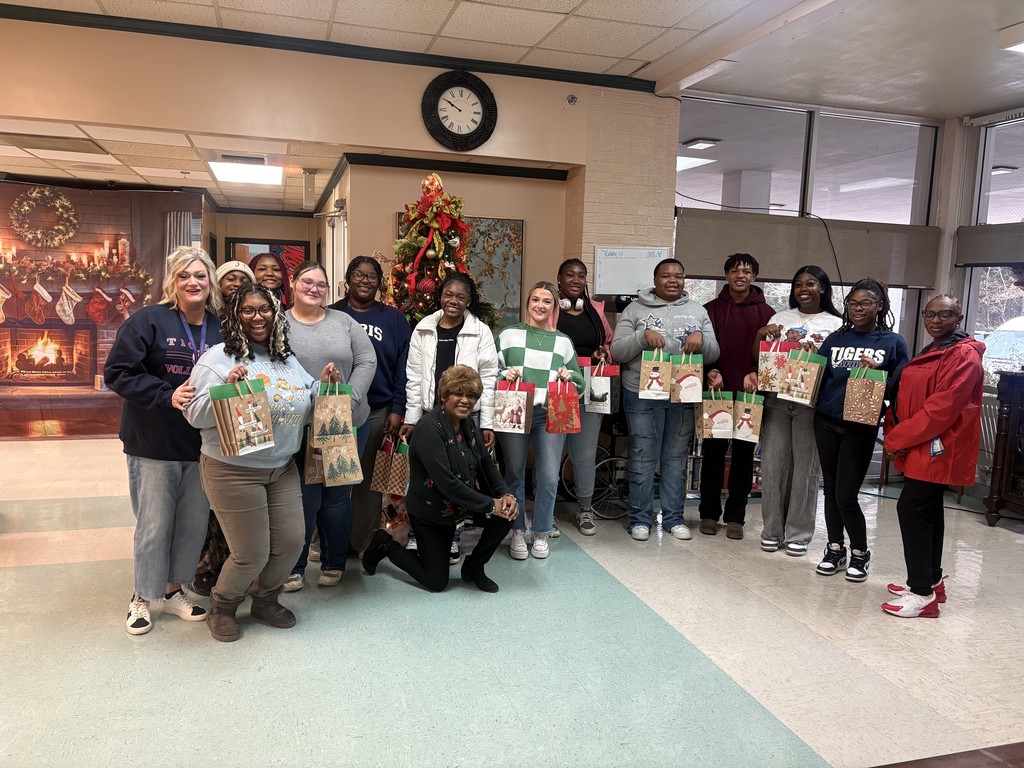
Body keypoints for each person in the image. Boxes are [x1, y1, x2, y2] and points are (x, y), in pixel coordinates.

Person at [186, 284, 341, 642]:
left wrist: (323, 386)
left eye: (265, 310)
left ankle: (265, 600)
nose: (258, 318)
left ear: (276, 315)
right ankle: (222, 606)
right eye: (248, 310)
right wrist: (224, 390)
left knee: (291, 543)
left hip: (281, 466)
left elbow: (305, 397)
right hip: (232, 470)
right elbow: (194, 415)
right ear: (235, 315)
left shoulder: (284, 358)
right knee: (250, 554)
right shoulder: (217, 359)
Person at [104, 246, 222, 635]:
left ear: (210, 282)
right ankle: (142, 595)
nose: (194, 282)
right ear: (173, 281)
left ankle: (173, 591)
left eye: (201, 275)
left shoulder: (221, 327)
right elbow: (118, 372)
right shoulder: (148, 321)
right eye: (185, 275)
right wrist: (164, 394)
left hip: (203, 444)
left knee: (191, 525)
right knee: (154, 524)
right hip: (153, 441)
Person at [362, 366, 519, 593]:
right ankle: (385, 544)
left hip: (460, 505)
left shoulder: (468, 425)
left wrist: (505, 495)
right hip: (431, 512)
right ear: (444, 396)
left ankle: (474, 567)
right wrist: (490, 504)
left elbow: (485, 463)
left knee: (506, 515)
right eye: (459, 394)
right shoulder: (429, 429)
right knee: (436, 582)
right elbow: (447, 483)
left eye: (472, 396)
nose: (466, 401)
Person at [882, 295, 984, 618]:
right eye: (930, 314)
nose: (936, 321)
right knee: (928, 510)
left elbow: (941, 409)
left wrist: (898, 436)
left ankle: (921, 594)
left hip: (940, 445)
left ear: (960, 316)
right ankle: (932, 579)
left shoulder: (964, 355)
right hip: (922, 441)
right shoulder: (936, 348)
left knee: (910, 507)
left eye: (945, 314)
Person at [610, 258, 720, 542]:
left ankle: (673, 518)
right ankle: (639, 518)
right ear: (655, 279)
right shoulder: (635, 309)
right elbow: (618, 351)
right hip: (642, 393)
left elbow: (713, 353)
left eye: (679, 276)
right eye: (666, 275)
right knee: (643, 456)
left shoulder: (698, 311)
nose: (673, 280)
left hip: (683, 394)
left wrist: (701, 338)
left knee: (675, 457)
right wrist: (641, 335)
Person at [283, 261, 377, 591]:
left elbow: (367, 360)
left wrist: (350, 400)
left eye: (321, 284)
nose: (314, 288)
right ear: (293, 284)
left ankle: (334, 561)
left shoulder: (345, 322)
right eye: (307, 281)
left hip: (343, 423)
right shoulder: (279, 324)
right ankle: (293, 566)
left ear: (328, 290)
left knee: (337, 497)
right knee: (303, 499)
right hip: (299, 427)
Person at [814, 277, 909, 582]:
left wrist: (879, 372)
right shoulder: (836, 339)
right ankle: (834, 548)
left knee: (846, 494)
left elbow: (900, 384)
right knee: (829, 489)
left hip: (861, 425)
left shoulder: (892, 342)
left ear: (879, 306)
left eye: (865, 303)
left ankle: (860, 553)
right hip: (826, 420)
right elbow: (817, 376)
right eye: (852, 303)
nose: (857, 308)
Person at [400, 273, 499, 563]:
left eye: (460, 297)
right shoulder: (424, 328)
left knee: (459, 477)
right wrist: (412, 415)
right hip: (431, 416)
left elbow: (489, 378)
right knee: (421, 478)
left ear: (469, 301)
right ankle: (418, 534)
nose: (453, 301)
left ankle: (453, 537)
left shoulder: (480, 331)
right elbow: (414, 375)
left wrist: (487, 422)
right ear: (440, 296)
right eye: (448, 294)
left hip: (464, 418)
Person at [754, 266, 843, 556]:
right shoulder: (780, 318)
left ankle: (798, 533)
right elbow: (760, 355)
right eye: (798, 284)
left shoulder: (836, 324)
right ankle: (771, 530)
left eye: (811, 283)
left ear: (823, 288)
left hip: (812, 403)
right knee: (772, 465)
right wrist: (761, 334)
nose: (803, 289)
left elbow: (837, 367)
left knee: (806, 470)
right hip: (777, 399)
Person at [496, 281, 586, 560]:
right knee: (514, 473)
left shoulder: (563, 341)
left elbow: (580, 382)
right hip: (515, 409)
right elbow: (491, 371)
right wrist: (504, 375)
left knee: (548, 476)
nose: (540, 306)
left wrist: (571, 377)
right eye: (535, 300)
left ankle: (542, 531)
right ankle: (518, 531)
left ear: (554, 307)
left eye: (547, 301)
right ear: (528, 303)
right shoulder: (509, 335)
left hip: (550, 412)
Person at [332, 256, 412, 556]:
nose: (365, 281)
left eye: (372, 276)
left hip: (378, 411)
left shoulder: (393, 319)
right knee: (333, 480)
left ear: (380, 282)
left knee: (366, 482)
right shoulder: (332, 314)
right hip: (336, 411)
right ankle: (330, 543)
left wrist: (397, 407)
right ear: (347, 279)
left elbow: (404, 367)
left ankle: (361, 541)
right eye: (358, 275)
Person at [698, 254, 776, 540]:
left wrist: (756, 372)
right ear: (726, 275)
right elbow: (703, 349)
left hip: (749, 394)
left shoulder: (768, 313)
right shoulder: (709, 310)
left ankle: (736, 517)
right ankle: (708, 513)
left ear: (754, 276)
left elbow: (772, 355)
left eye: (746, 271)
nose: (740, 275)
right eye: (734, 270)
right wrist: (711, 370)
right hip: (717, 390)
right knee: (713, 456)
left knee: (743, 456)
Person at [193, 258, 258, 596]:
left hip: (248, 429)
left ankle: (240, 568)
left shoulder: (258, 322)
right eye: (228, 278)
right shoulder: (212, 324)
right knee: (211, 508)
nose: (234, 283)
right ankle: (208, 566)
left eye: (241, 278)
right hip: (210, 427)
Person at [553, 258, 615, 536]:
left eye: (581, 276)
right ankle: (547, 510)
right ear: (559, 279)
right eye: (570, 275)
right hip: (559, 387)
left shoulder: (595, 312)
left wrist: (602, 354)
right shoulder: (549, 308)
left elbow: (608, 344)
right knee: (551, 452)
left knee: (585, 453)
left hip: (591, 386)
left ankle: (585, 508)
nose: (576, 280)